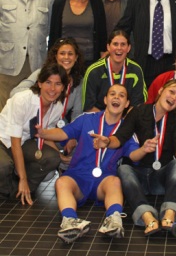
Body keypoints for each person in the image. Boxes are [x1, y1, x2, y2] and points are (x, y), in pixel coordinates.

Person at [36, 84, 149, 243]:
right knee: (61, 182)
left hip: (103, 180)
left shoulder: (127, 129)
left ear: (127, 103)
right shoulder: (87, 118)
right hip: (78, 177)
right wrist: (43, 133)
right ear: (105, 99)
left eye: (121, 95)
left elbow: (134, 156)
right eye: (112, 94)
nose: (116, 97)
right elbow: (63, 133)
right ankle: (70, 221)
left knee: (115, 182)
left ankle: (114, 220)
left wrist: (144, 149)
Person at [94, 80, 176, 238]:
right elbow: (120, 138)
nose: (174, 98)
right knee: (123, 169)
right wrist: (107, 141)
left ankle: (169, 215)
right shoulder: (139, 112)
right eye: (171, 92)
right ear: (161, 90)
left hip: (160, 179)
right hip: (138, 177)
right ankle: (148, 217)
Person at [0, 63, 68, 205]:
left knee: (52, 158)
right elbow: (15, 143)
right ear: (39, 83)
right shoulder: (22, 100)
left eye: (58, 84)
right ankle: (8, 189)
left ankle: (21, 191)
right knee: (4, 167)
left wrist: (61, 157)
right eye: (48, 82)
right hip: (4, 139)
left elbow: (44, 135)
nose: (52, 89)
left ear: (63, 88)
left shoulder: (57, 106)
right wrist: (23, 178)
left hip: (25, 141)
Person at [0, 0, 54, 111]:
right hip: (8, 63)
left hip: (36, 63)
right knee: (5, 109)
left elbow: (50, 27)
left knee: (33, 108)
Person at [11, 37, 85, 124]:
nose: (66, 57)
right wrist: (41, 94)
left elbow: (77, 113)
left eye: (70, 54)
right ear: (56, 56)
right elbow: (14, 93)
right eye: (62, 53)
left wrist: (73, 132)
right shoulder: (42, 72)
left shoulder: (78, 81)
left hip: (60, 126)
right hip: (32, 121)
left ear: (76, 57)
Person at [49, 0, 107, 67]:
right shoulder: (59, 4)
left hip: (90, 61)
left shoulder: (97, 4)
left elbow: (102, 35)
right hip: (65, 61)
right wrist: (51, 62)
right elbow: (53, 36)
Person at [82, 29, 147, 112]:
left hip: (127, 120)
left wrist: (123, 122)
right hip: (99, 119)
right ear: (108, 47)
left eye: (123, 44)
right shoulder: (94, 71)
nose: (119, 48)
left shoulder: (136, 70)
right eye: (115, 44)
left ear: (129, 48)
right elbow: (89, 107)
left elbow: (137, 105)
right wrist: (108, 121)